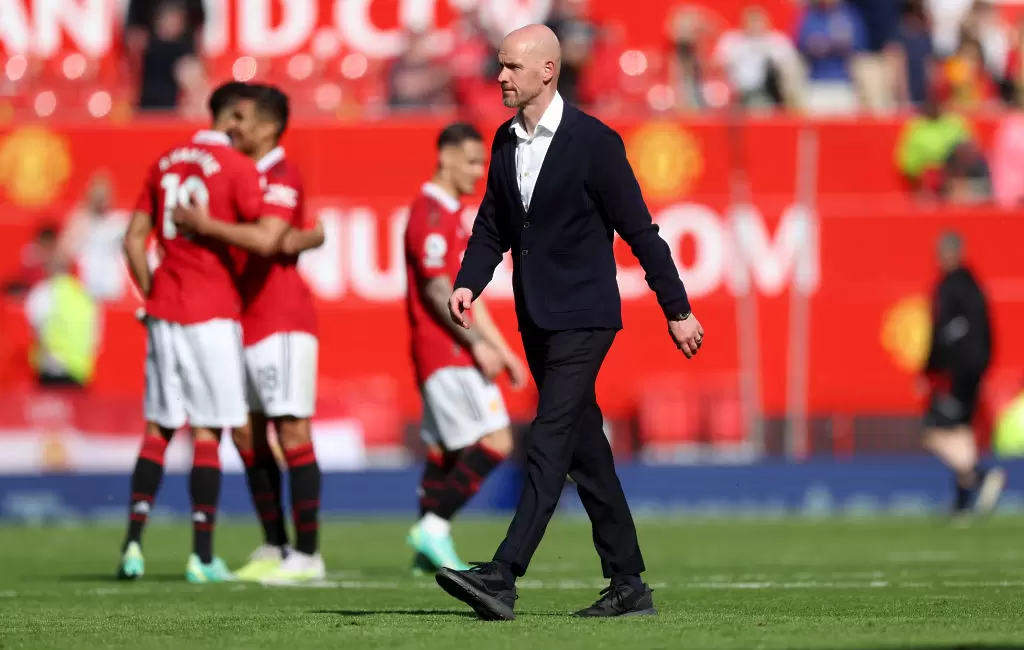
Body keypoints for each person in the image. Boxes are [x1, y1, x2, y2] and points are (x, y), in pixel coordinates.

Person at [436, 25, 703, 620]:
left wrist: (677, 309)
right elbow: (492, 225)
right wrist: (468, 282)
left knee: (550, 435)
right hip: (537, 317)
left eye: (511, 67)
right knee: (585, 451)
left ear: (548, 70)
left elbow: (641, 232)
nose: (500, 77)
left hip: (585, 317)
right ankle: (629, 585)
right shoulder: (505, 141)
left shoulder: (594, 142)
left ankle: (504, 573)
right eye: (500, 65)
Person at [172, 85, 327, 584]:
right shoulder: (232, 173)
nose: (232, 126)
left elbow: (265, 238)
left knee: (292, 430)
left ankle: (308, 554)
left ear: (268, 126)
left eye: (241, 118)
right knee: (245, 434)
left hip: (280, 320)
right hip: (236, 320)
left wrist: (207, 225)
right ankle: (275, 543)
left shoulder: (280, 173)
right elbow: (276, 238)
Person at [117, 81, 258, 583]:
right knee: (207, 429)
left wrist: (155, 294)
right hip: (211, 311)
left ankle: (133, 546)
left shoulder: (165, 161)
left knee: (158, 428)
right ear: (234, 116)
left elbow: (133, 240)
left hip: (165, 311)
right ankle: (201, 556)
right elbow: (262, 235)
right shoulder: (238, 167)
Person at [403, 123, 526, 575]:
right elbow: (437, 290)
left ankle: (425, 552)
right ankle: (433, 528)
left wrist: (504, 351)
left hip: (449, 350)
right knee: (496, 440)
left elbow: (467, 296)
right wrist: (476, 345)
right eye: (473, 162)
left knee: (445, 452)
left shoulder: (453, 214)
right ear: (446, 157)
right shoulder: (431, 213)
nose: (478, 172)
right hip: (447, 350)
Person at [920, 232, 1005, 519]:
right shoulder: (973, 284)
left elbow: (942, 333)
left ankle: (980, 476)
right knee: (962, 430)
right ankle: (963, 501)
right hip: (975, 368)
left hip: (958, 371)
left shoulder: (949, 287)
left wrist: (929, 368)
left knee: (933, 432)